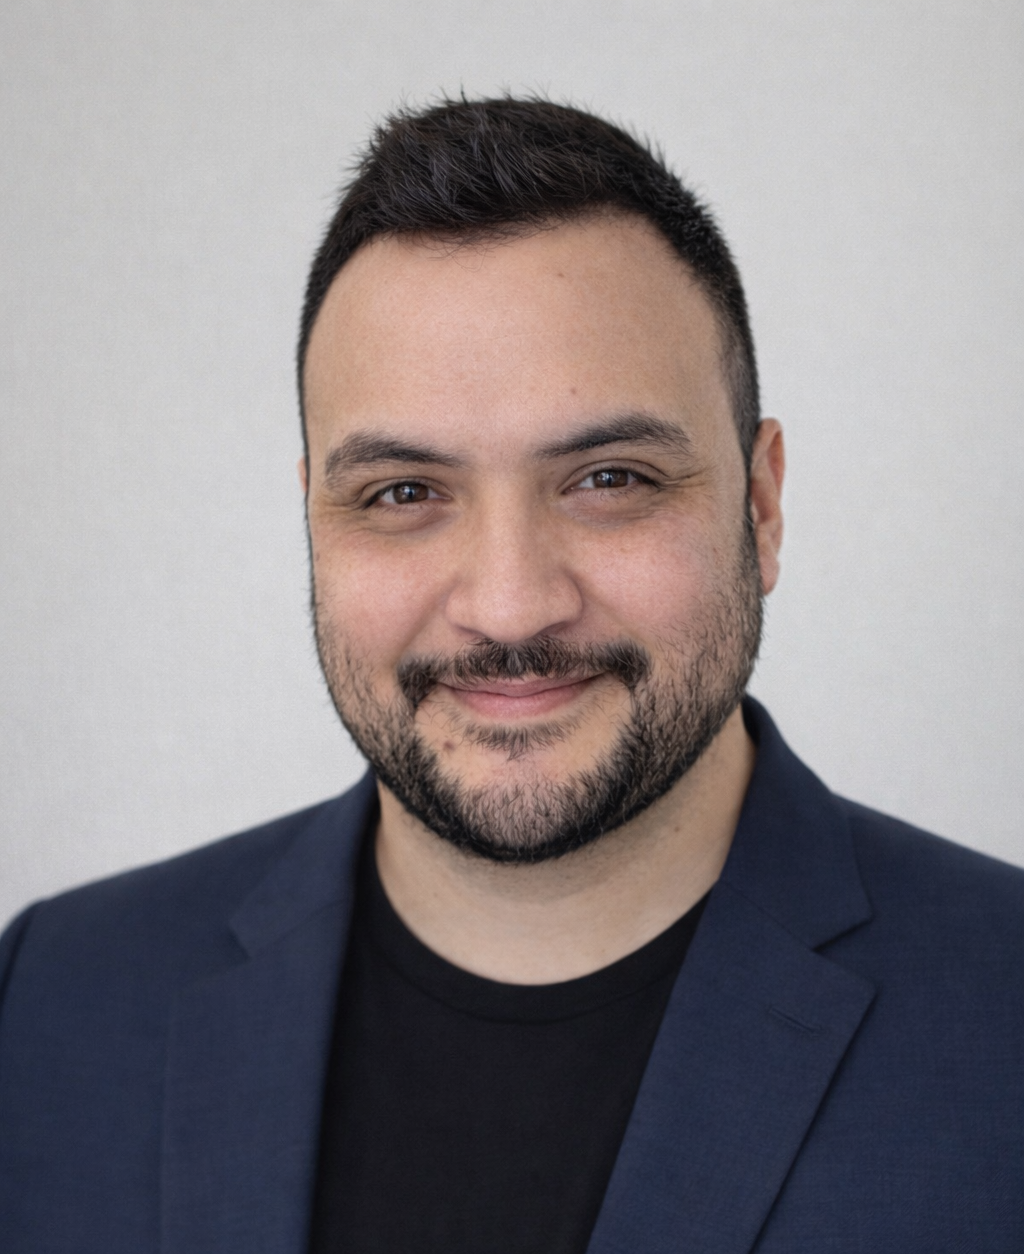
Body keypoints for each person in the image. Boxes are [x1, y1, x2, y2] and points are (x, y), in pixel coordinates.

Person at [0, 96, 1022, 1254]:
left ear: (761, 504)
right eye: (402, 492)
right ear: (314, 521)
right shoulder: (53, 1002)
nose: (508, 604)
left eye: (609, 480)